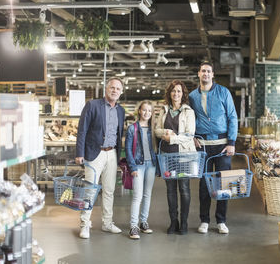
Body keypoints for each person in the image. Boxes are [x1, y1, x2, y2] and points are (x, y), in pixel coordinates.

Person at [189, 62, 238, 234]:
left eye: (209, 71)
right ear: (199, 73)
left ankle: (221, 220)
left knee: (223, 184)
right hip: (203, 147)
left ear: (213, 74)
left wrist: (231, 142)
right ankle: (204, 220)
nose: (206, 74)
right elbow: (189, 119)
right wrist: (192, 137)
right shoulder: (192, 96)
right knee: (204, 185)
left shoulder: (223, 92)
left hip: (223, 145)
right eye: (203, 71)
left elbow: (232, 117)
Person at [75, 77, 125, 239]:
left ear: (121, 92)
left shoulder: (120, 110)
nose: (114, 90)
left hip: (112, 153)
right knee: (90, 190)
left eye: (118, 89)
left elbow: (119, 134)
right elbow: (82, 130)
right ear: (106, 89)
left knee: (109, 190)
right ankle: (85, 225)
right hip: (94, 153)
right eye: (112, 87)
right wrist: (79, 153)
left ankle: (107, 223)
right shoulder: (92, 105)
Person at [155, 80, 196, 235]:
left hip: (183, 155)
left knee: (184, 189)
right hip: (167, 156)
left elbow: (189, 135)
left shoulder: (188, 112)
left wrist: (172, 139)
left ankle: (184, 222)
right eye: (173, 91)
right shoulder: (163, 110)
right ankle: (174, 222)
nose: (176, 94)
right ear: (169, 93)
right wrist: (165, 133)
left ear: (183, 94)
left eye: (179, 91)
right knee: (170, 190)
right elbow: (157, 130)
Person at [125, 100, 157, 240]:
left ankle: (143, 222)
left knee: (147, 195)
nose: (147, 113)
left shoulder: (153, 129)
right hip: (138, 165)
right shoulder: (132, 128)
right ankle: (133, 226)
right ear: (139, 111)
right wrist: (132, 167)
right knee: (137, 196)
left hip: (151, 165)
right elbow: (127, 150)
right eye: (144, 110)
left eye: (149, 111)